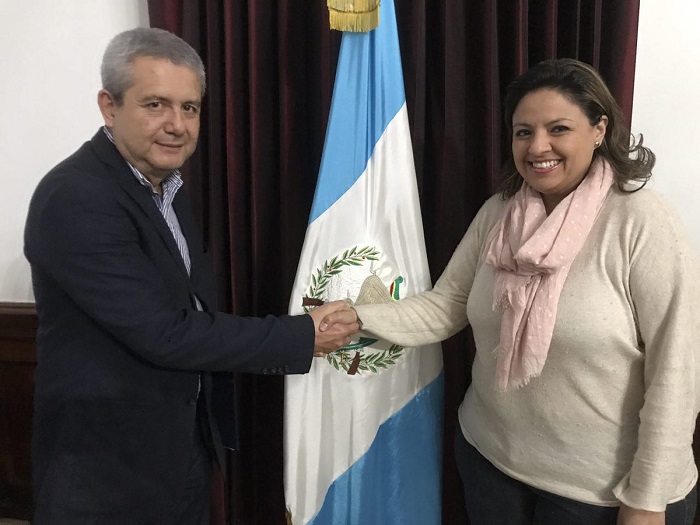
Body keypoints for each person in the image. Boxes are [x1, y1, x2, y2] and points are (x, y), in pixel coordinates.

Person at [325, 58, 699, 524]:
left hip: (597, 495)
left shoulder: (642, 222)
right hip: (489, 464)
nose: (538, 146)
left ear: (599, 129)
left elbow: (677, 370)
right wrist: (358, 316)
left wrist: (646, 499)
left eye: (558, 128)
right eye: (524, 132)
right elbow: (447, 305)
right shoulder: (499, 213)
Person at [23, 27, 359, 525]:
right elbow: (163, 331)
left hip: (182, 451)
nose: (176, 125)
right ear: (109, 107)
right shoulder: (76, 197)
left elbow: (191, 308)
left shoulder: (165, 187)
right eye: (155, 105)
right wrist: (300, 336)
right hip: (106, 472)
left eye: (189, 107)